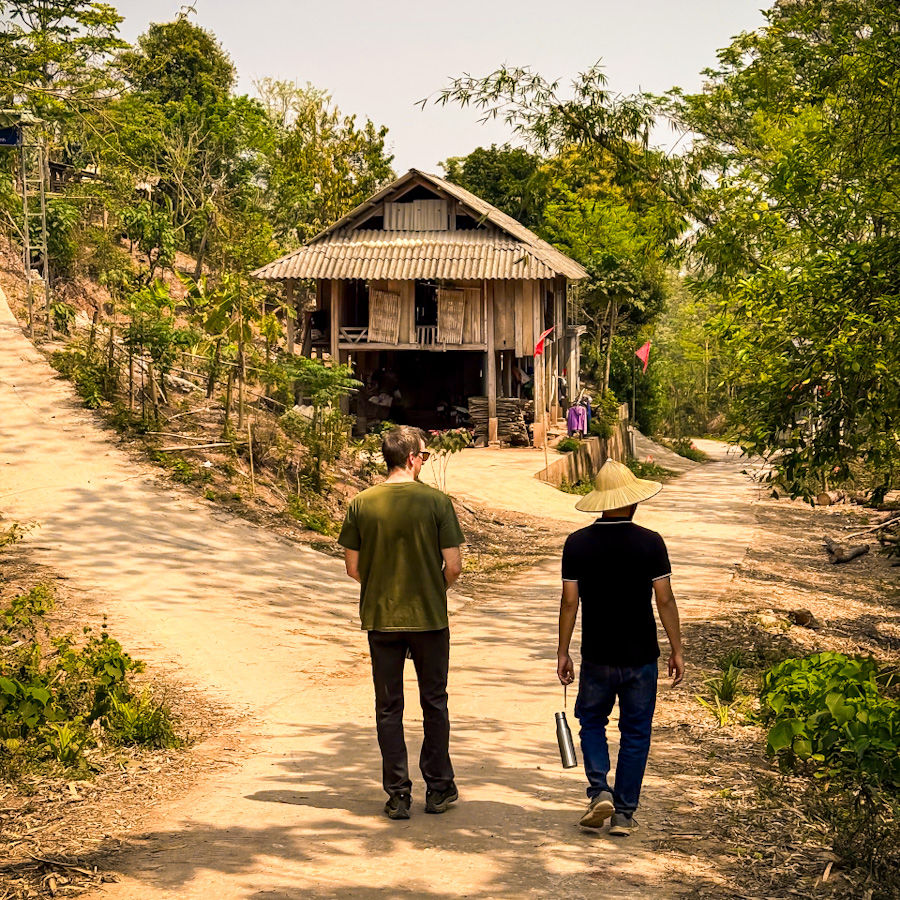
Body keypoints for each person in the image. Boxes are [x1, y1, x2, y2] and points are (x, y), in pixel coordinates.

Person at [338, 425, 465, 820]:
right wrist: (430, 588)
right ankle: (438, 788)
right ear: (411, 458)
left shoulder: (361, 503)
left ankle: (398, 794)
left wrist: (382, 586)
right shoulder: (437, 502)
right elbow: (454, 566)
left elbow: (353, 568)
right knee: (434, 702)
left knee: (388, 708)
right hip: (429, 618)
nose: (423, 462)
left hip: (382, 618)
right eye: (423, 456)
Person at [556, 459, 684, 836]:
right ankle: (624, 814)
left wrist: (563, 651)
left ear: (600, 502)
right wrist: (677, 648)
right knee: (636, 732)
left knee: (592, 722)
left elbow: (569, 602)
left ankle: (599, 790)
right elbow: (664, 599)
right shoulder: (651, 542)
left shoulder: (577, 544)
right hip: (641, 656)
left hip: (597, 655)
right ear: (633, 501)